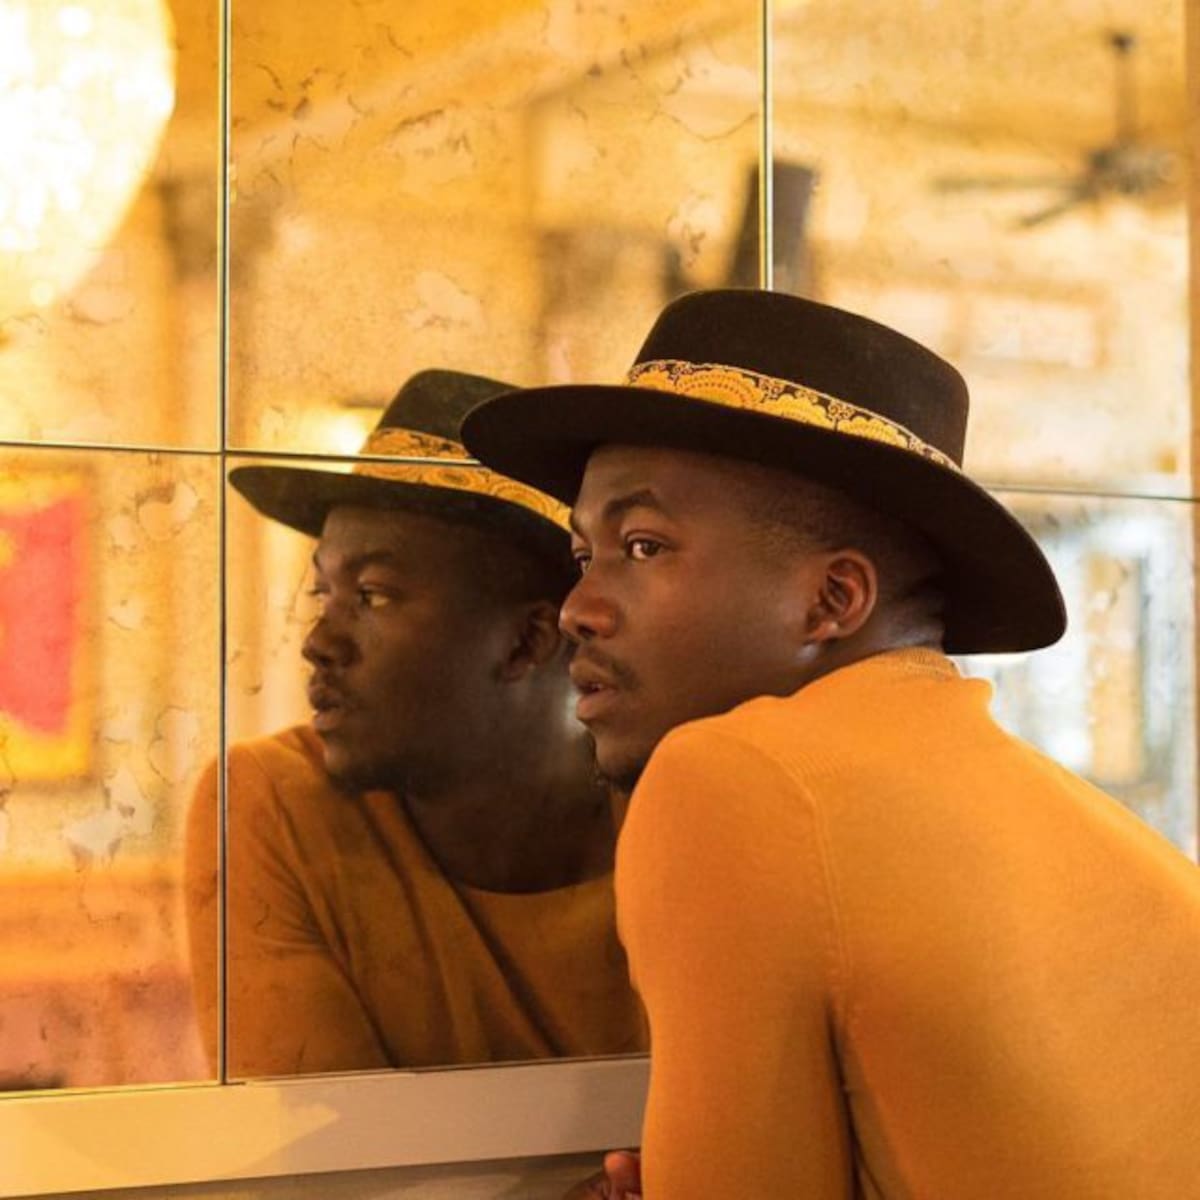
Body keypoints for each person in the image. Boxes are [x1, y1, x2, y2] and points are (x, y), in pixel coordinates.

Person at [461, 290, 1200, 1198]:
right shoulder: (1077, 824)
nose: (579, 608)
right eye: (585, 556)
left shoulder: (731, 779)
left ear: (832, 601)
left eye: (644, 547)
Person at [185, 369, 645, 1076]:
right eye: (323, 593)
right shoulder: (278, 801)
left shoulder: (672, 811)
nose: (318, 641)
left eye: (371, 596)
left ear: (525, 643)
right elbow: (319, 1137)